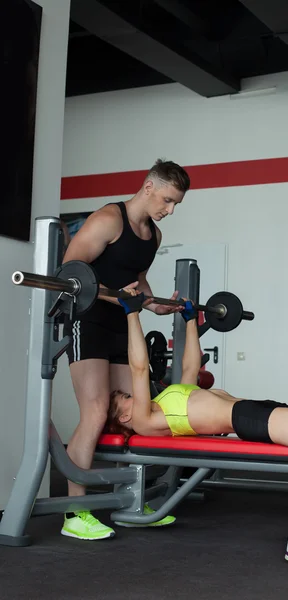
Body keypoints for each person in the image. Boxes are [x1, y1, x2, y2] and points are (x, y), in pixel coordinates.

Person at [106, 290, 288, 568]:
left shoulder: (165, 400)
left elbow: (191, 365)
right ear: (125, 417)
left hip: (258, 406)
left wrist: (191, 320)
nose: (132, 395)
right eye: (126, 398)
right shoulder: (145, 421)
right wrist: (132, 314)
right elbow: (139, 369)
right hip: (245, 419)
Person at [60, 159, 190, 541]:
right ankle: (75, 511)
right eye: (167, 200)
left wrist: (155, 304)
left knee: (137, 412)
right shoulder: (107, 220)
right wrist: (120, 299)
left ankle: (129, 498)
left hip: (122, 321)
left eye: (175, 205)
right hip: (89, 320)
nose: (169, 210)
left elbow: (140, 283)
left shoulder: (154, 235)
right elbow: (70, 273)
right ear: (149, 187)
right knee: (97, 412)